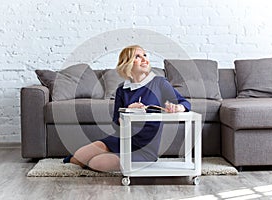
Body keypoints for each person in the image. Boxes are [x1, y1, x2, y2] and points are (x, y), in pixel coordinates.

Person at [63, 45, 191, 172]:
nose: (144, 59)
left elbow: (184, 102)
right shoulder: (122, 89)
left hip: (144, 148)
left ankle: (97, 161)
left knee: (95, 163)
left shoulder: (159, 83)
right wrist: (128, 111)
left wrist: (179, 107)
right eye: (137, 56)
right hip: (121, 139)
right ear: (127, 63)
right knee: (78, 157)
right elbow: (115, 124)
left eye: (145, 55)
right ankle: (86, 160)